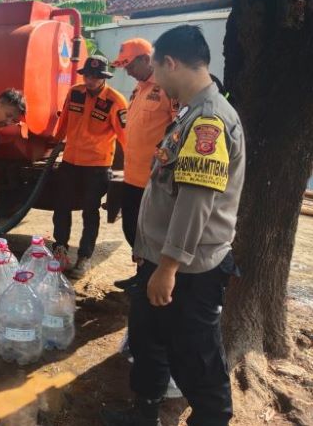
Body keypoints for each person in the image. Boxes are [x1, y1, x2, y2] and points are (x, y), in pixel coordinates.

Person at [102, 25, 245, 426]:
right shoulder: (188, 114)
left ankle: (211, 419)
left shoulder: (208, 123)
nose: (156, 82)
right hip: (161, 258)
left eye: (158, 72)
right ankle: (143, 413)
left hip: (188, 269)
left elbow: (195, 204)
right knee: (148, 340)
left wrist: (167, 267)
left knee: (196, 354)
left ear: (170, 62)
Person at [111, 39, 177, 290]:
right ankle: (142, 274)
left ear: (146, 59)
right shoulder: (138, 90)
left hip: (154, 181)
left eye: (129, 64)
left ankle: (152, 279)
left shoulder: (167, 88)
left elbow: (178, 130)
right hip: (132, 177)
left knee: (152, 235)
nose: (126, 70)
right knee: (133, 230)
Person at [52, 56, 127, 278]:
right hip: (70, 162)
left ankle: (84, 257)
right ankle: (60, 249)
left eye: (96, 77)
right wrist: (54, 143)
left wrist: (130, 169)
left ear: (104, 77)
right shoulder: (75, 92)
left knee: (89, 213)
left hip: (97, 167)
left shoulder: (116, 101)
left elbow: (126, 138)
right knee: (61, 207)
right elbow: (63, 121)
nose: (90, 80)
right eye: (87, 75)